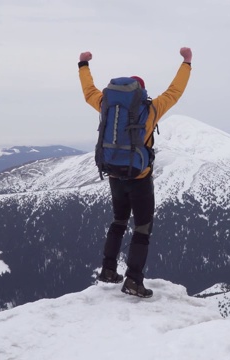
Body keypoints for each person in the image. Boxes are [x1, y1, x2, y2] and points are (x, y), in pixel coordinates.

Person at [78, 47, 192, 297]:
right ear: (141, 94)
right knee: (142, 228)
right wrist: (186, 62)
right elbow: (175, 91)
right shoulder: (150, 109)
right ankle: (133, 280)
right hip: (139, 178)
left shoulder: (106, 106)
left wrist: (83, 65)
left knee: (118, 222)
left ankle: (108, 270)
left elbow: (89, 92)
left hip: (115, 176)